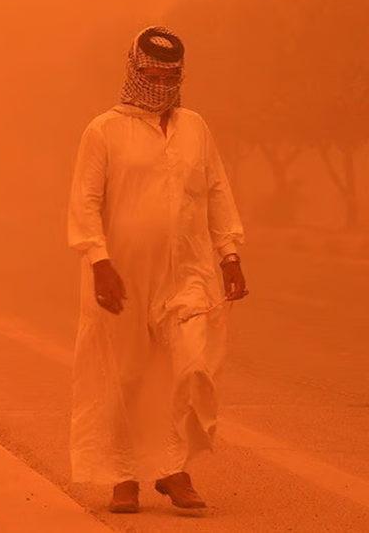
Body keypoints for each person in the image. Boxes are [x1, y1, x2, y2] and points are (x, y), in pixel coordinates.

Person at [67, 26, 248, 513]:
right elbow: (85, 203)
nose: (160, 85)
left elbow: (216, 190)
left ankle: (173, 468)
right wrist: (99, 262)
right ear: (134, 71)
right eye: (151, 75)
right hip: (121, 275)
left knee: (189, 367)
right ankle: (123, 476)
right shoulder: (103, 130)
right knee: (123, 375)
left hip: (188, 272)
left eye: (170, 77)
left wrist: (229, 254)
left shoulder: (194, 128)